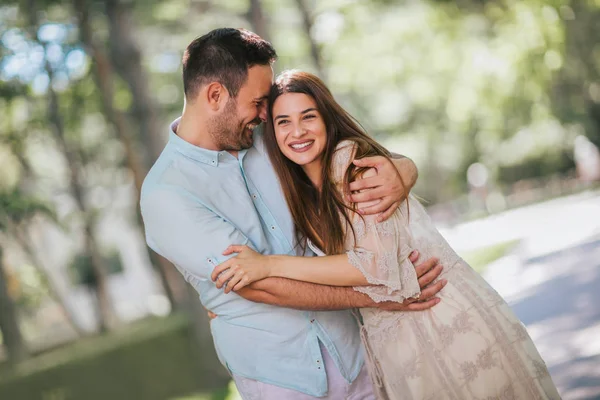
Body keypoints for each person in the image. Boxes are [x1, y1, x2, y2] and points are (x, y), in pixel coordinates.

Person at [211, 70, 562, 399]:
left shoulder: (350, 163)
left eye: (308, 116)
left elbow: (374, 266)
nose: (297, 131)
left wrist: (269, 265)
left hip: (438, 315)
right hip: (395, 338)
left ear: (327, 118)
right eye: (283, 122)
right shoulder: (304, 192)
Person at [140, 28, 445, 399]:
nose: (265, 113)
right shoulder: (166, 194)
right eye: (257, 102)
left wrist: (403, 171)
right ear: (216, 95)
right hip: (281, 380)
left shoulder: (270, 137)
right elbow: (258, 284)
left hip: (356, 352)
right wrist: (382, 295)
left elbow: (344, 151)